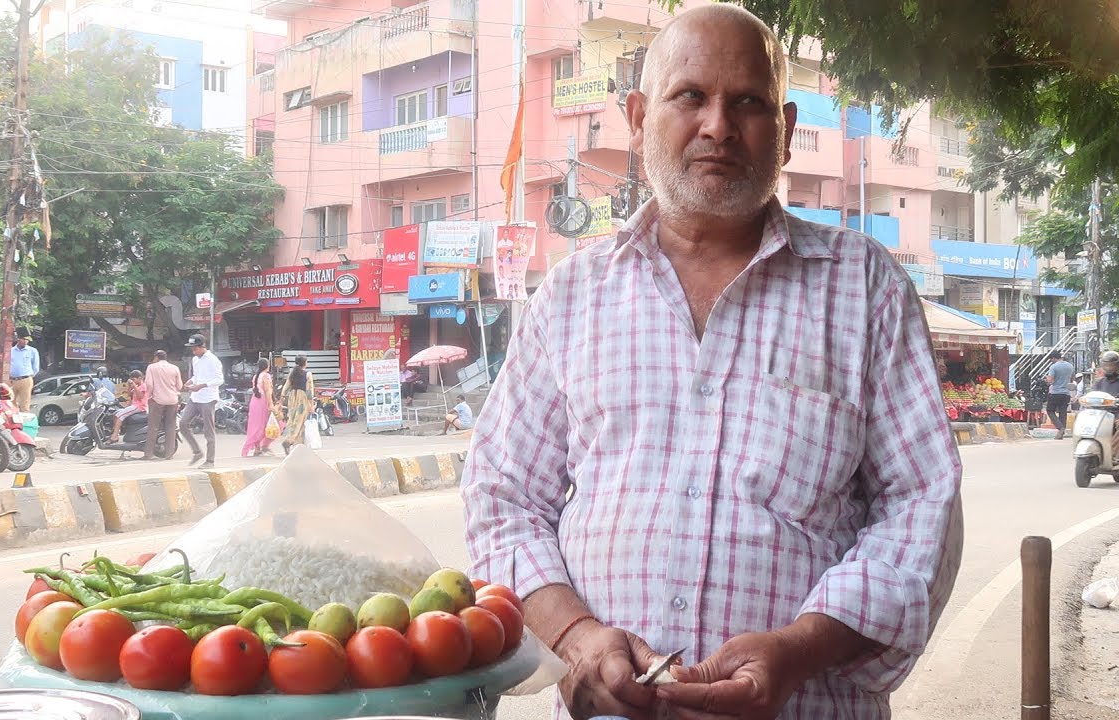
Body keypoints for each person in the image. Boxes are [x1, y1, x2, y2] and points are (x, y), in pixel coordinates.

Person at [460, 7, 963, 720]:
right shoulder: (570, 296)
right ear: (638, 118)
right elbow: (504, 496)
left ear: (784, 131)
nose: (719, 126)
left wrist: (799, 648)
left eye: (749, 102)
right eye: (689, 96)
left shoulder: (864, 288)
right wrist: (577, 637)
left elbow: (921, 505)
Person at [178, 334, 222, 468]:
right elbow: (197, 375)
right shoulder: (195, 360)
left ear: (202, 346)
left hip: (208, 398)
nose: (193, 351)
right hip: (195, 397)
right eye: (192, 349)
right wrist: (191, 381)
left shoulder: (213, 360)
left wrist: (201, 386)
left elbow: (219, 380)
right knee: (183, 423)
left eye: (195, 348)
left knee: (208, 430)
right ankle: (197, 452)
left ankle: (210, 460)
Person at [143, 350, 184, 461]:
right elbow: (179, 386)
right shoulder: (175, 368)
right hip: (172, 400)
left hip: (157, 400)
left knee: (153, 427)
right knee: (170, 427)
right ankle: (169, 454)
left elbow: (149, 384)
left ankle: (148, 454)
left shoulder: (151, 367)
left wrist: (150, 396)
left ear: (156, 357)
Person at [241, 358, 278, 457]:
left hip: (255, 401)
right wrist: (271, 405)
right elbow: (268, 391)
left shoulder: (255, 377)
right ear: (267, 366)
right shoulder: (266, 376)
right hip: (263, 401)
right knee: (269, 424)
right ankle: (264, 445)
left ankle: (256, 448)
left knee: (256, 425)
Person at [279, 357, 314, 454]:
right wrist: (311, 405)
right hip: (302, 399)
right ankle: (289, 441)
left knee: (292, 420)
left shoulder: (292, 373)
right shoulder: (308, 374)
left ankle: (299, 446)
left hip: (292, 398)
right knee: (299, 421)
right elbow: (309, 391)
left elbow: (286, 387)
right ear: (304, 363)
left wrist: (282, 399)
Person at [110, 370, 148, 443]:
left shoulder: (143, 386)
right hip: (134, 405)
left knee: (120, 415)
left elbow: (140, 396)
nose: (133, 381)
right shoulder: (137, 386)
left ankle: (114, 436)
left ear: (140, 378)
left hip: (140, 406)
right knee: (116, 413)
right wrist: (130, 387)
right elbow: (129, 395)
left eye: (134, 379)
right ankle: (117, 432)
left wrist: (134, 386)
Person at [1045, 350, 1076, 439]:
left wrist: (1047, 380)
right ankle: (1061, 433)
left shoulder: (1054, 367)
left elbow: (1050, 380)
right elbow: (1072, 379)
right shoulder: (1070, 366)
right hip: (1066, 393)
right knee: (1063, 412)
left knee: (1050, 410)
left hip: (1055, 392)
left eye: (1051, 359)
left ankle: (1060, 427)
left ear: (1054, 358)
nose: (1051, 361)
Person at [9, 329, 41, 412]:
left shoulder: (32, 351)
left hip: (26, 379)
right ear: (18, 339)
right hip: (12, 380)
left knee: (25, 404)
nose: (26, 341)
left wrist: (29, 376)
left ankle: (24, 423)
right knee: (10, 403)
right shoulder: (11, 351)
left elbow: (36, 367)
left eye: (27, 339)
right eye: (24, 339)